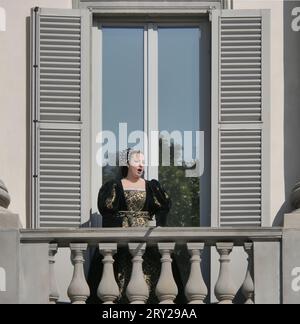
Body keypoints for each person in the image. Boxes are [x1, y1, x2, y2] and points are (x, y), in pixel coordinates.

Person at [96, 149, 172, 303]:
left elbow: (163, 207)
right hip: (123, 234)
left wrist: (159, 225)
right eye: (137, 161)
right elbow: (107, 211)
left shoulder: (151, 186)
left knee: (150, 272)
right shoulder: (115, 186)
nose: (141, 165)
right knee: (121, 271)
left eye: (143, 162)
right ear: (127, 164)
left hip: (145, 236)